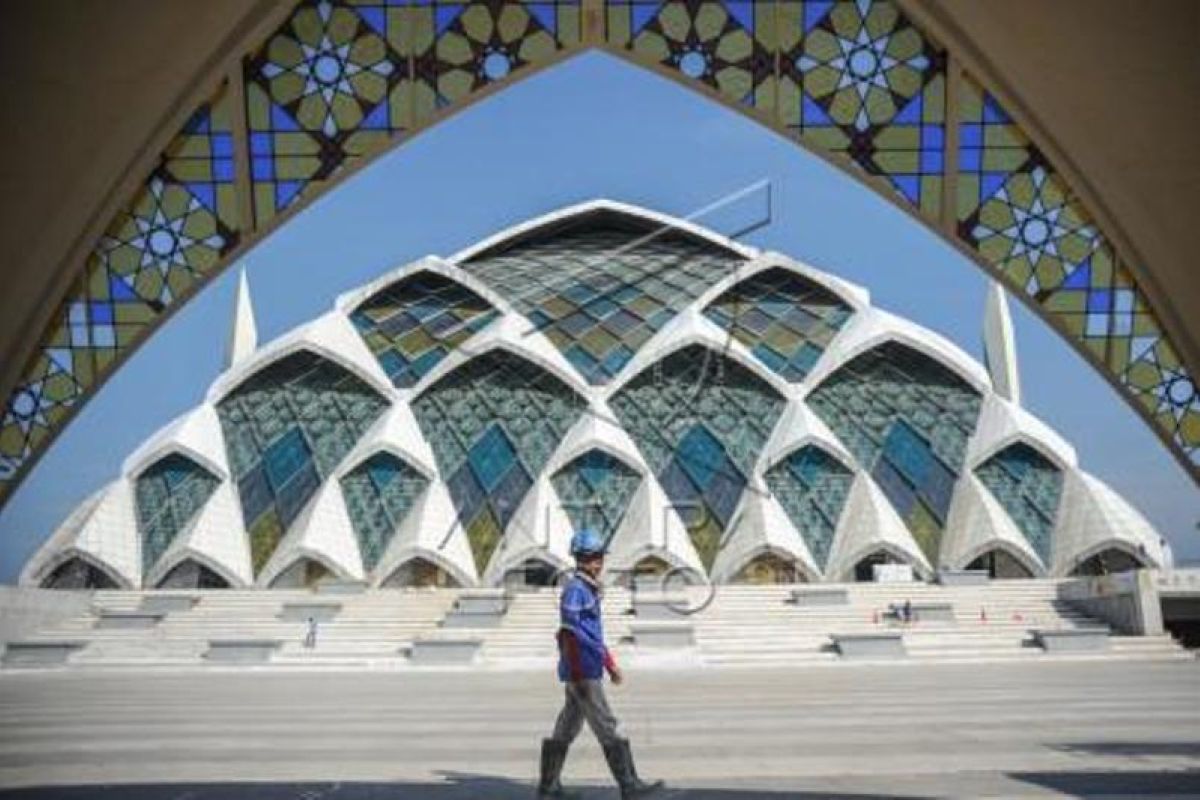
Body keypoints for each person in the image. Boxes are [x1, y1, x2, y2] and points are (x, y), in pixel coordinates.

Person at [537, 528, 664, 799]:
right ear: (585, 559)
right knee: (607, 726)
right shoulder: (576, 590)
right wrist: (581, 672)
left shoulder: (586, 588)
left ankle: (548, 788)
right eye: (595, 557)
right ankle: (630, 786)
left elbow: (592, 634)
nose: (599, 562)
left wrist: (608, 663)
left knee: (567, 727)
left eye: (599, 557)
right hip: (582, 670)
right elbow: (571, 632)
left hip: (583, 668)